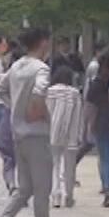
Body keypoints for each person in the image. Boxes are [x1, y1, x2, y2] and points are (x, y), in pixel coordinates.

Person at [0, 28, 68, 217]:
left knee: (25, 188)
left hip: (17, 132)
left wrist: (13, 108)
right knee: (42, 189)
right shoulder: (41, 68)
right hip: (37, 134)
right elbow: (40, 90)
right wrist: (35, 107)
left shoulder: (17, 65)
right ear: (42, 42)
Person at [46, 60, 86, 209]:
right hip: (71, 133)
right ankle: (68, 196)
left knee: (54, 164)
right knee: (69, 167)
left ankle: (55, 195)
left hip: (52, 133)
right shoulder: (75, 93)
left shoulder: (49, 92)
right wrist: (80, 133)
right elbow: (79, 115)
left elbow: (46, 113)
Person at [88, 47, 109, 207]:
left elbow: (92, 106)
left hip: (102, 122)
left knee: (105, 158)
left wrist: (90, 124)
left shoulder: (97, 83)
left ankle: (107, 188)